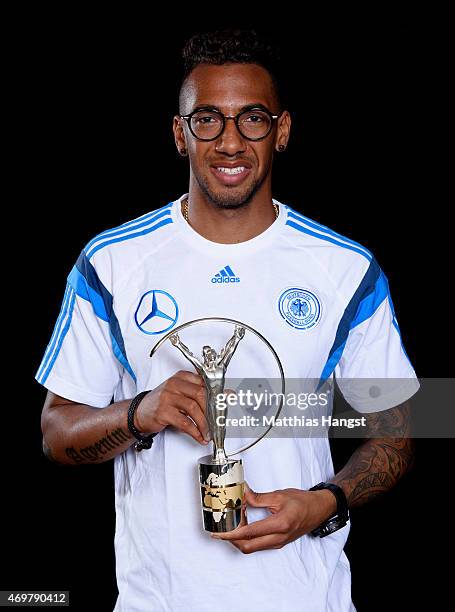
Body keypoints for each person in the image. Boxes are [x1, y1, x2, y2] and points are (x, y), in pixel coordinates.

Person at [35, 29, 420, 612]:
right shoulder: (112, 263)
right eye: (208, 120)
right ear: (180, 134)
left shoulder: (344, 269)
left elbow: (399, 429)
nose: (231, 142)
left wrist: (325, 503)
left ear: (282, 131)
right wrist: (141, 412)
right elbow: (56, 434)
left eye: (253, 120)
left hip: (306, 600)